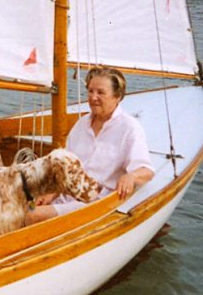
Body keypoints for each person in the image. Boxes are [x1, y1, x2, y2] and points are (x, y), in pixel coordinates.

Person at [25, 67, 154, 224]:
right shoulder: (82, 124)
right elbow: (65, 167)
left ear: (117, 96)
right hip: (65, 195)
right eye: (91, 91)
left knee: (29, 215)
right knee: (21, 209)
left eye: (100, 92)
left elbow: (147, 171)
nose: (93, 97)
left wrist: (131, 176)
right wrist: (51, 193)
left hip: (94, 203)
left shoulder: (129, 128)